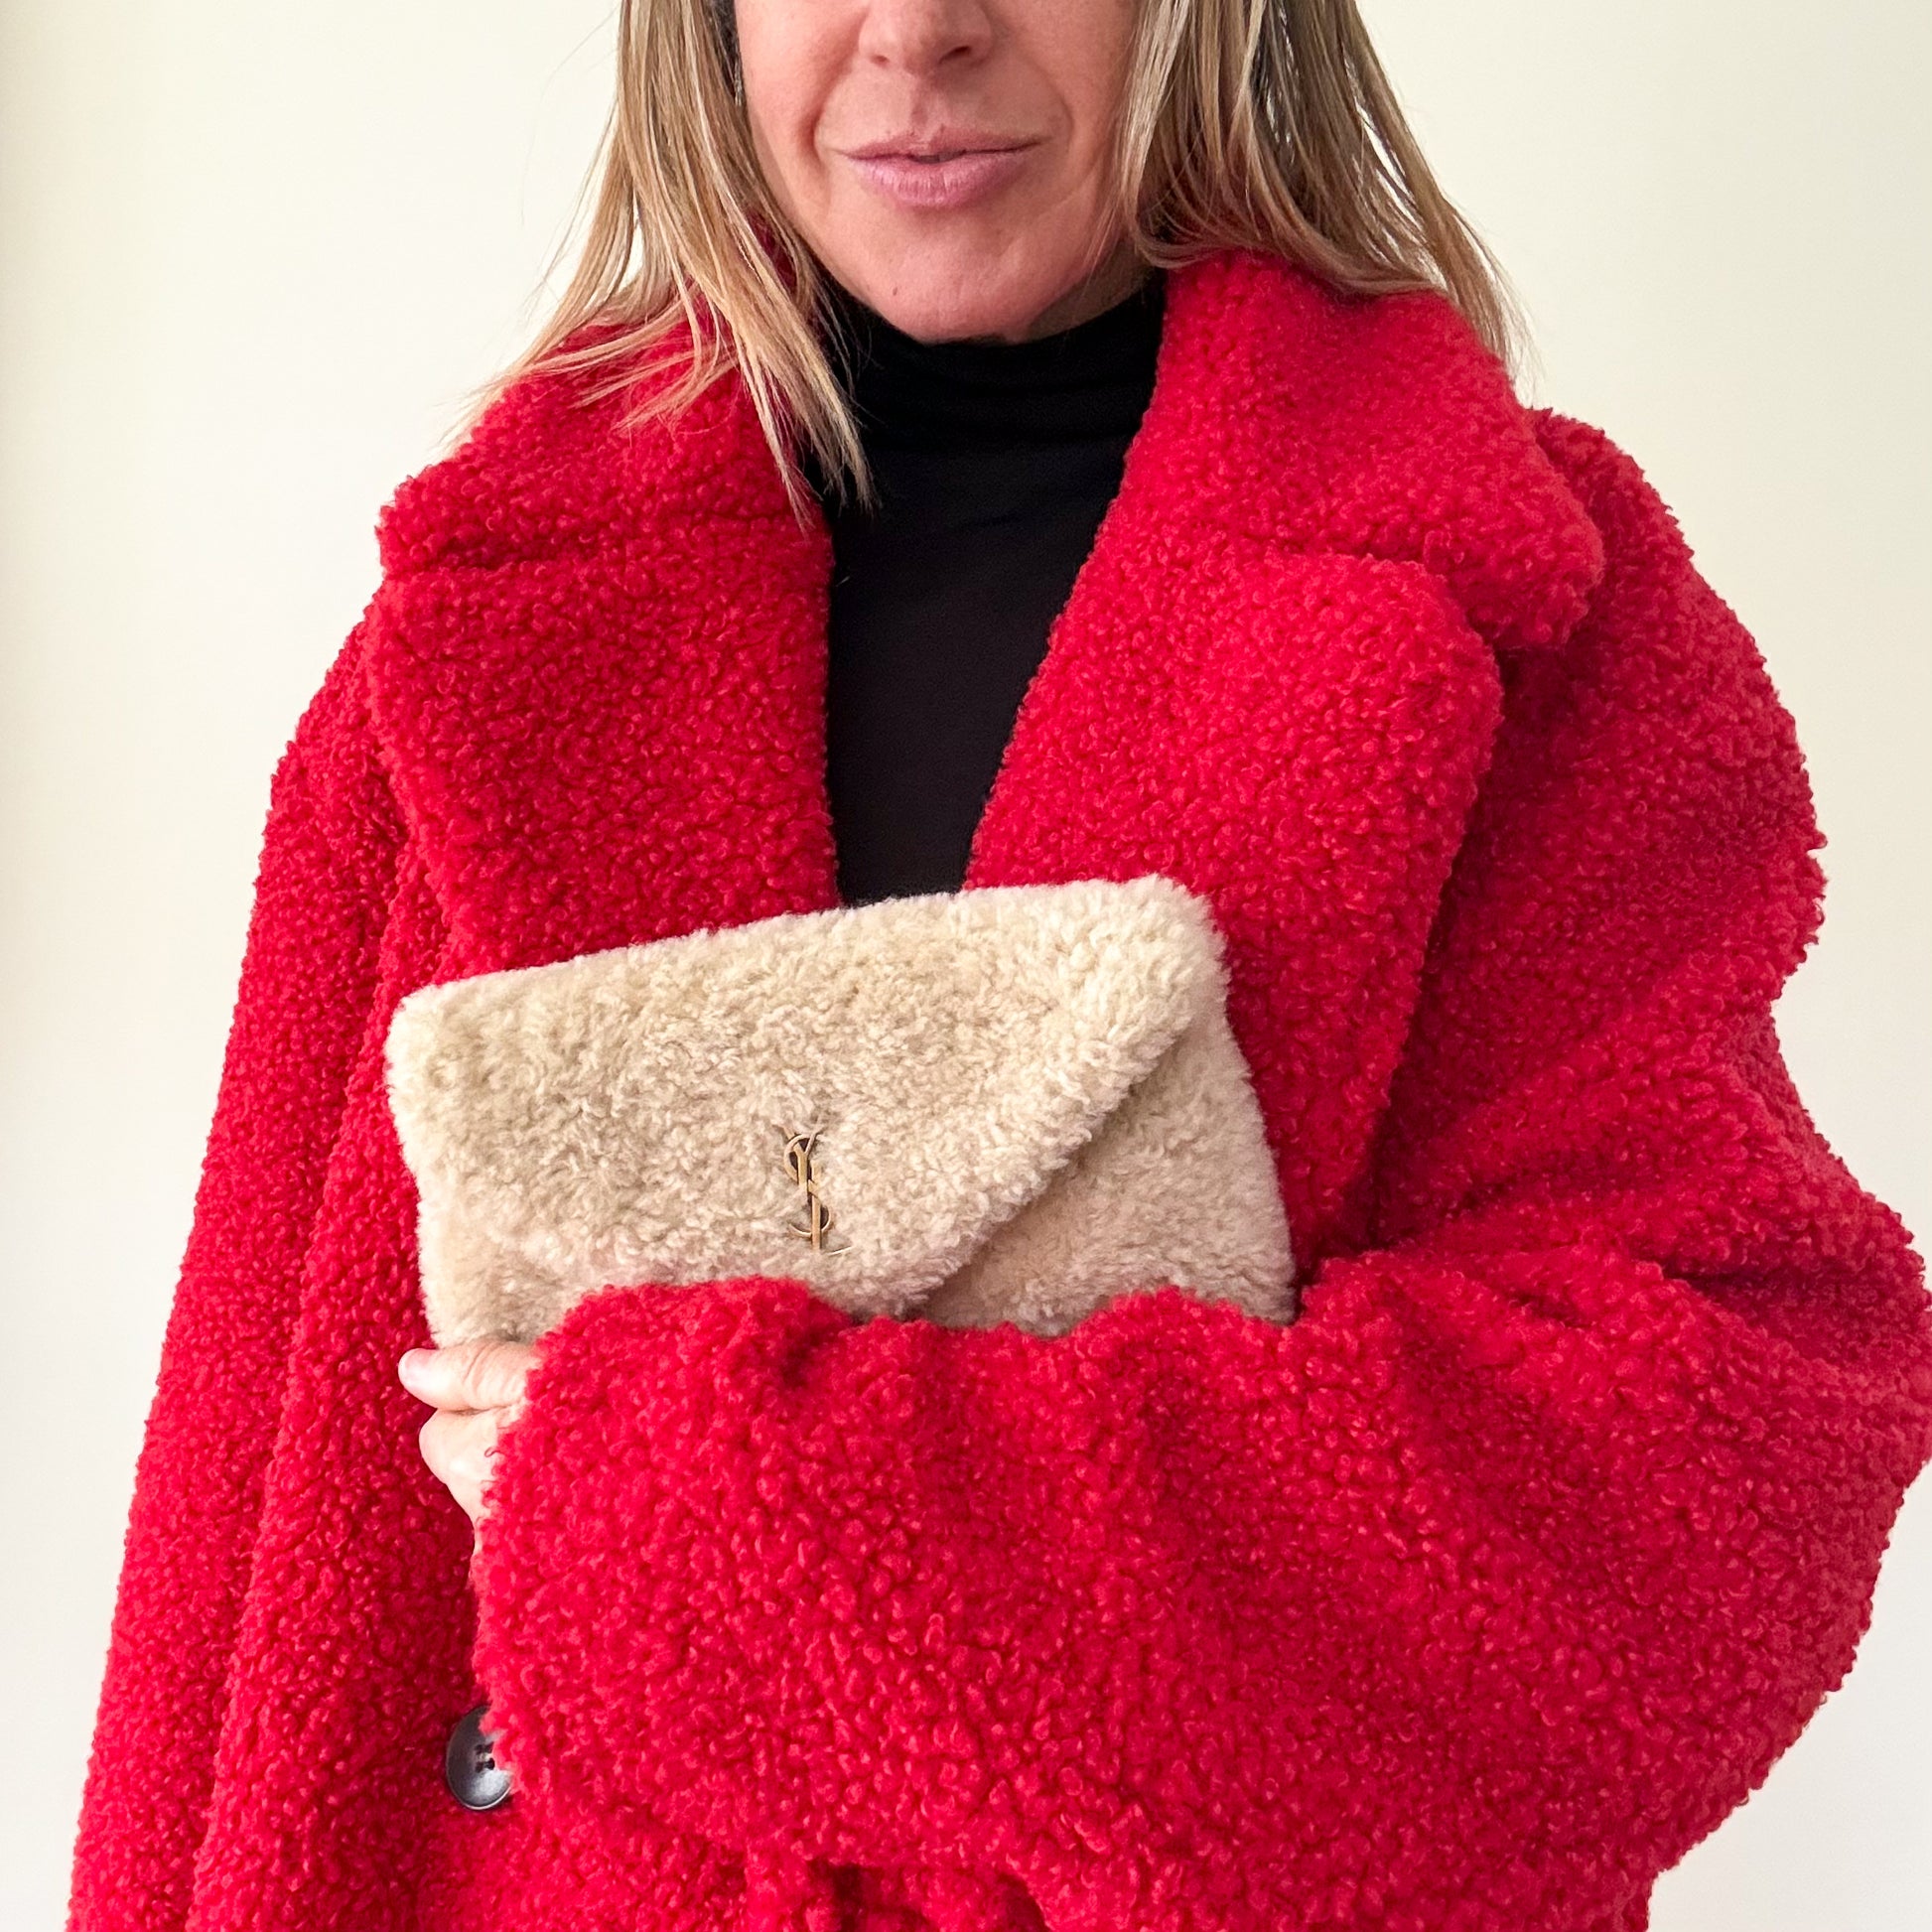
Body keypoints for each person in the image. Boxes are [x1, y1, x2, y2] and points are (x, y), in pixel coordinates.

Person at [67, 4, 1932, 1930]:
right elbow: (240, 1558)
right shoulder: (470, 636)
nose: (916, 34)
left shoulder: (1518, 608)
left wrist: (750, 1519)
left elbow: (1699, 1482)